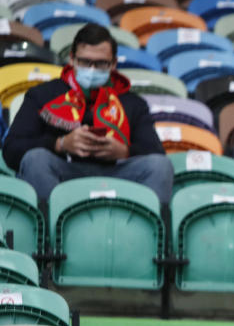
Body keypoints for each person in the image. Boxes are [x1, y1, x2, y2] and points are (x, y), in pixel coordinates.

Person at [3, 23, 173, 202]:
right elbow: (12, 149)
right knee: (36, 159)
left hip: (117, 175)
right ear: (72, 59)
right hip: (63, 173)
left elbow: (156, 152)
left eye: (100, 63)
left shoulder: (132, 102)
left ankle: (145, 227)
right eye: (85, 62)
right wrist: (60, 144)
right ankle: (53, 225)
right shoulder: (43, 94)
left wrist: (124, 151)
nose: (92, 69)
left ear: (113, 64)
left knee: (160, 166)